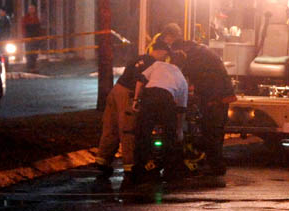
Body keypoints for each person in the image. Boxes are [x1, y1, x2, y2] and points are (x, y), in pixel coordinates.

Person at [94, 40, 169, 183]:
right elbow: (141, 82)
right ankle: (131, 165)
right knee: (128, 129)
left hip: (116, 91)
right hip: (128, 94)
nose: (164, 59)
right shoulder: (152, 64)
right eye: (164, 55)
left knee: (111, 127)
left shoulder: (138, 58)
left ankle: (102, 160)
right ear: (160, 52)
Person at [173, 40, 236, 176]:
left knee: (211, 132)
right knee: (215, 132)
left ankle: (215, 166)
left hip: (214, 98)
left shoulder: (196, 56)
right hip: (220, 96)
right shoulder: (204, 52)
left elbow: (185, 73)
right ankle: (215, 164)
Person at [132, 41, 188, 183]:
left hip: (149, 97)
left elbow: (140, 80)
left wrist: (136, 100)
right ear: (183, 65)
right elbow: (181, 109)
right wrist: (179, 130)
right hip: (166, 101)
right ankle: (170, 170)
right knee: (169, 136)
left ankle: (141, 167)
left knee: (142, 134)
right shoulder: (182, 79)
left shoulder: (157, 65)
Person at [22, 4, 41, 71]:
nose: (31, 10)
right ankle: (29, 67)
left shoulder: (36, 18)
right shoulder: (26, 18)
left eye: (32, 9)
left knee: (34, 53)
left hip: (35, 38)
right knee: (29, 52)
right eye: (30, 9)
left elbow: (38, 28)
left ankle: (33, 66)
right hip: (29, 38)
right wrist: (25, 37)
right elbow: (24, 28)